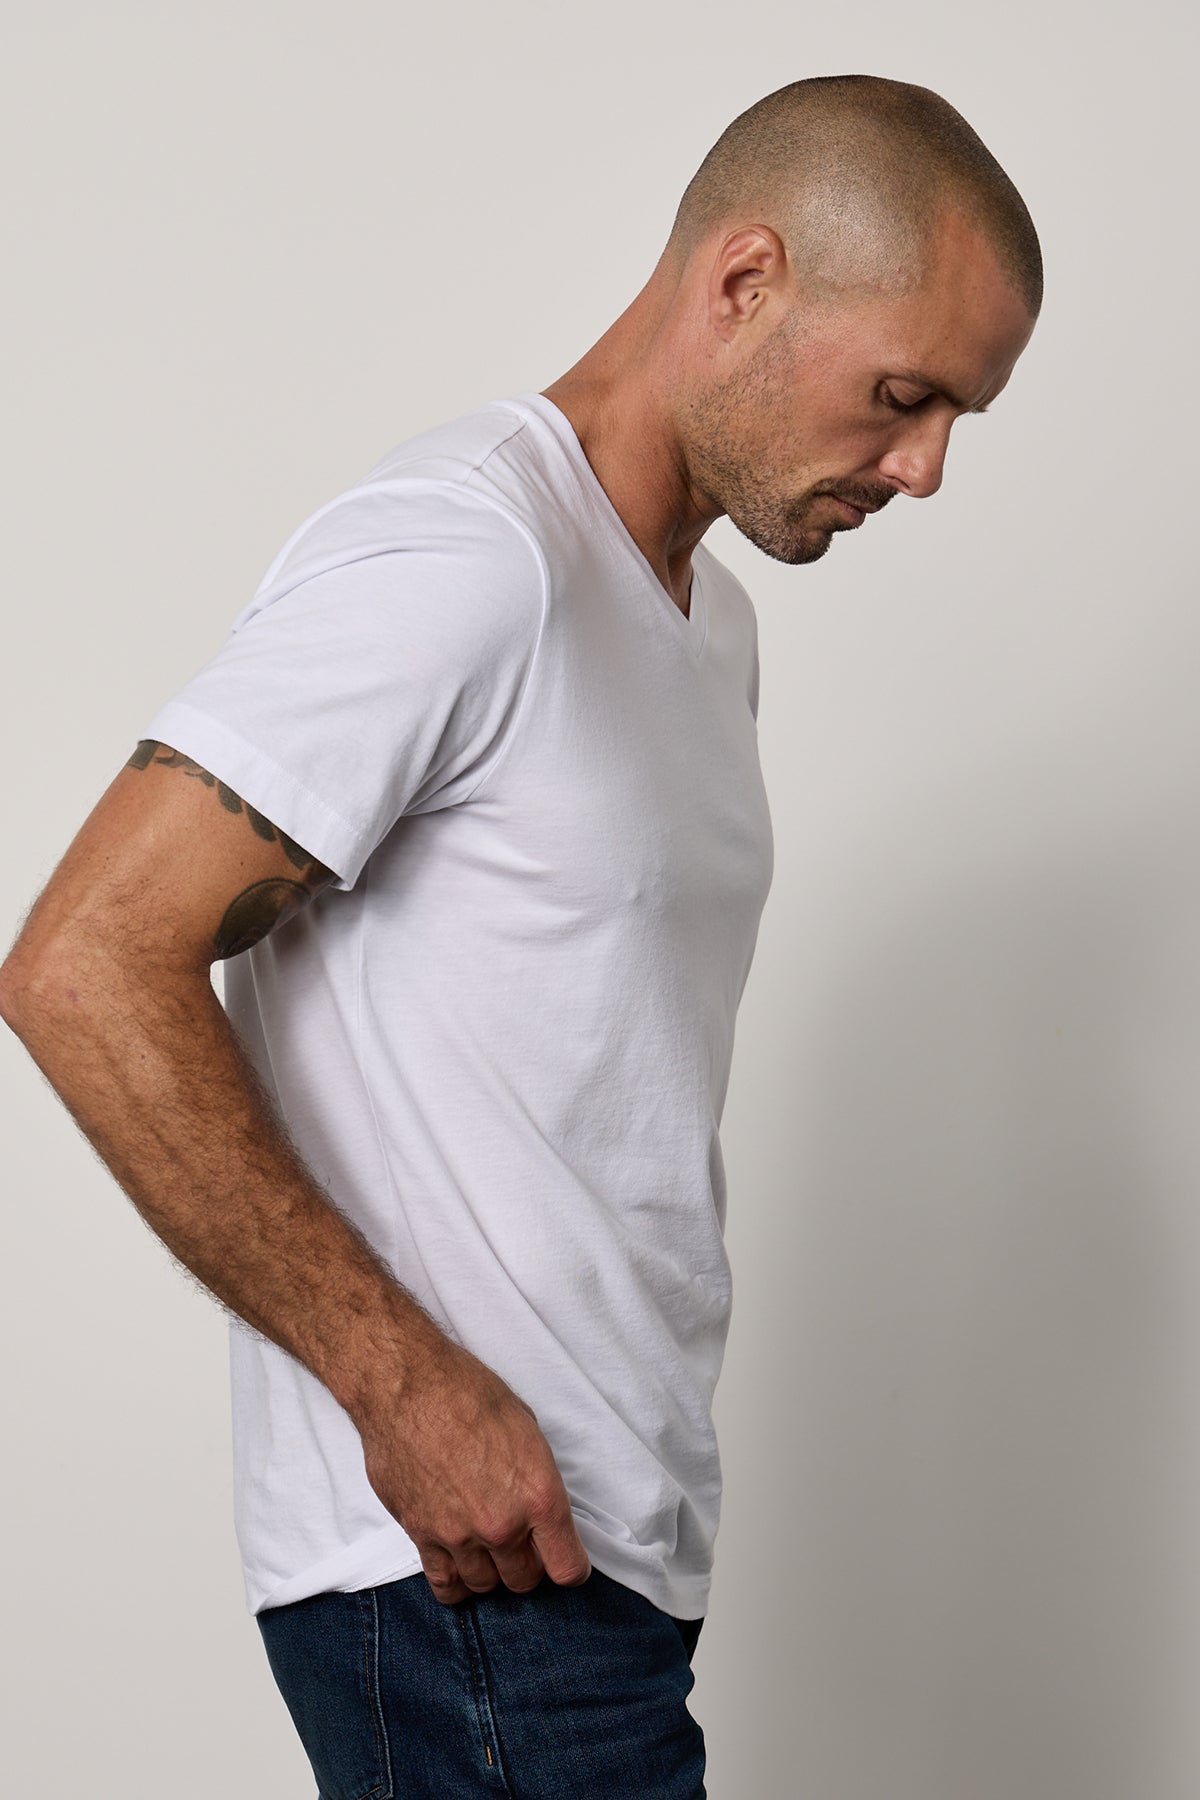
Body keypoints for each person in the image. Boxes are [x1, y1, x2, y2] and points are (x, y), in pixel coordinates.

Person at [0, 73, 1039, 1800]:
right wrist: (401, 1389)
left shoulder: (706, 635)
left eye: (955, 423)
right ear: (744, 280)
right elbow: (85, 957)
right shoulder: (466, 555)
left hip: (601, 1563)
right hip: (465, 1575)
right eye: (904, 398)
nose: (922, 470)